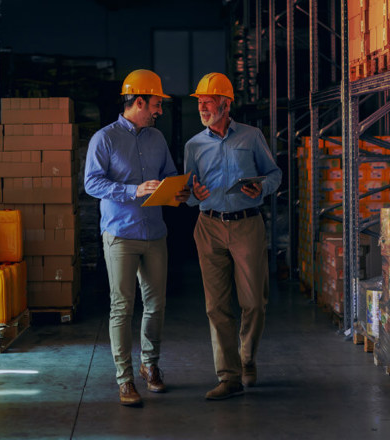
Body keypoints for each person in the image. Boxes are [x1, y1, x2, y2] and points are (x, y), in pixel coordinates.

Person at [84, 69, 190, 406]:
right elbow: (92, 183)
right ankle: (125, 379)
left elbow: (169, 176)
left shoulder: (157, 139)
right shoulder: (105, 138)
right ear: (139, 101)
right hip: (120, 234)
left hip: (155, 232)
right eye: (156, 104)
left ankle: (150, 366)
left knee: (155, 305)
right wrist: (133, 190)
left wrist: (178, 192)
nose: (159, 110)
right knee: (122, 307)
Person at [184, 72, 282, 400]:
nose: (202, 106)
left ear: (226, 104)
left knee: (254, 301)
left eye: (208, 101)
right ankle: (229, 376)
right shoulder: (193, 145)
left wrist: (262, 187)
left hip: (246, 224)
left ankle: (247, 357)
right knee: (216, 306)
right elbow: (188, 193)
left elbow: (274, 173)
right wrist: (193, 193)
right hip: (208, 226)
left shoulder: (252, 137)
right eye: (199, 102)